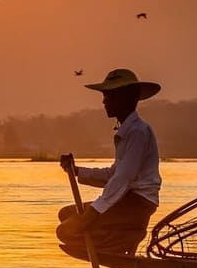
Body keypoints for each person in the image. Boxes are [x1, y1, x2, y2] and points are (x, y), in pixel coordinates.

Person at [57, 68, 162, 255]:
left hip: (137, 203)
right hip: (126, 200)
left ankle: (127, 238)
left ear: (126, 98)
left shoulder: (138, 132)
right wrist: (77, 171)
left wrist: (94, 212)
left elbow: (123, 178)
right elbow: (113, 174)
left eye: (110, 96)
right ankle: (122, 237)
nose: (104, 101)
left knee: (65, 231)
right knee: (65, 215)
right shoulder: (126, 131)